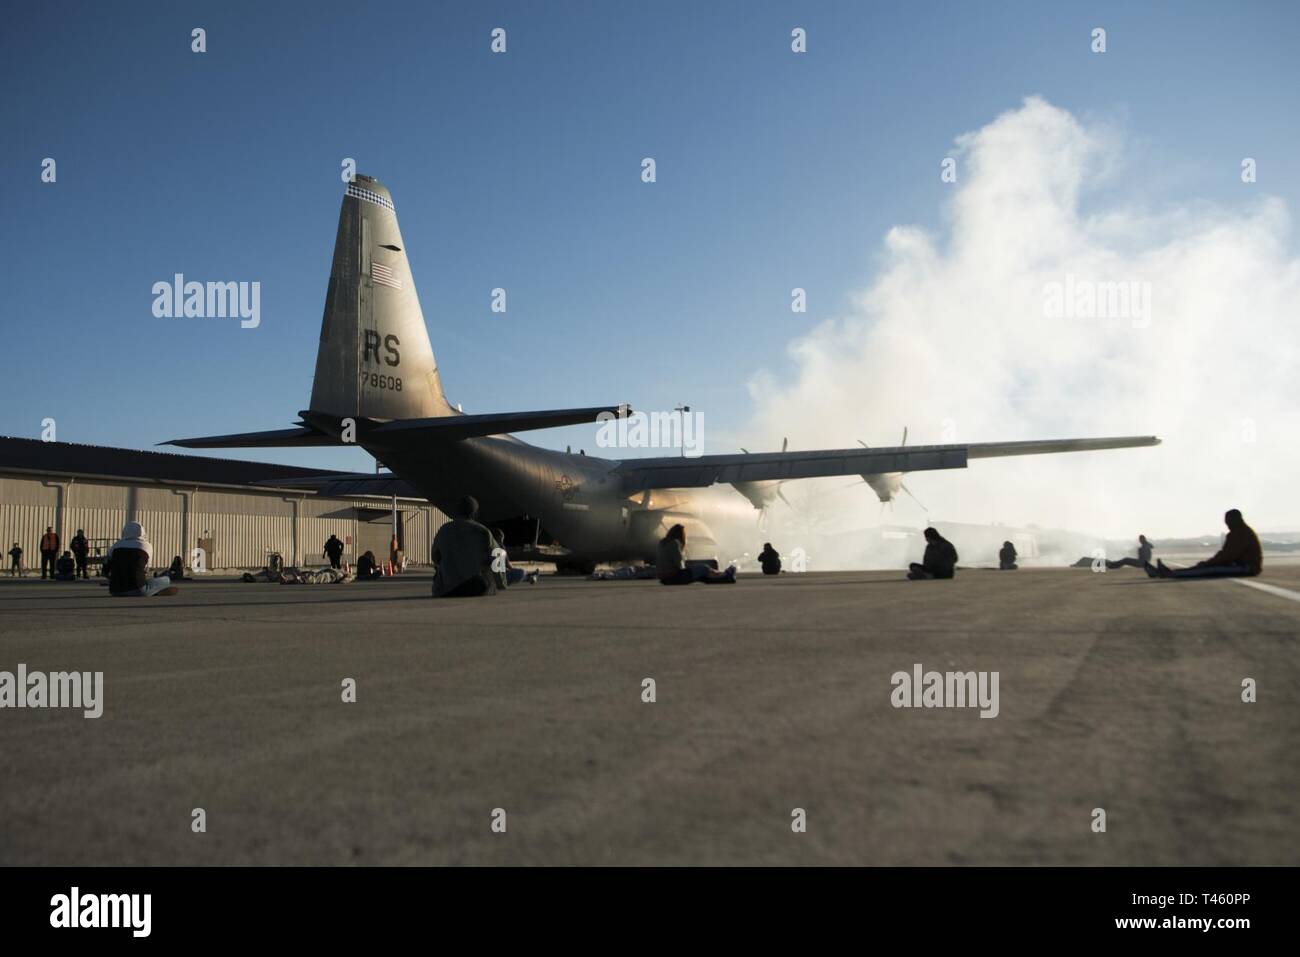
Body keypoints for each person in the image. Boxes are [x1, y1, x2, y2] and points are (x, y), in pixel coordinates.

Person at [1147, 509, 1262, 579]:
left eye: (1227, 521)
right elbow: (1227, 555)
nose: (1226, 524)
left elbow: (1227, 555)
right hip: (1241, 566)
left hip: (1246, 568)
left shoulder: (1240, 533)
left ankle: (1170, 574)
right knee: (1206, 568)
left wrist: (1208, 564)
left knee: (1208, 570)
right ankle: (1169, 572)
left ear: (1233, 520)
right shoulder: (1239, 532)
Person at [431, 497, 498, 597]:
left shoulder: (443, 530)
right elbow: (498, 555)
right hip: (475, 586)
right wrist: (501, 582)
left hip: (446, 589)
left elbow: (435, 557)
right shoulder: (483, 531)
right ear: (475, 513)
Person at [106, 521, 177, 597]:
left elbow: (105, 570)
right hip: (138, 589)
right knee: (166, 580)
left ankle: (151, 590)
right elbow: (146, 570)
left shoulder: (115, 546)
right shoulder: (146, 546)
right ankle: (154, 590)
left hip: (114, 591)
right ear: (142, 532)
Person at [657, 524, 737, 585]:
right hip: (674, 577)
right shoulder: (674, 543)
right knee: (703, 568)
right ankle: (724, 575)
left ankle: (723, 576)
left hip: (664, 579)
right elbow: (679, 563)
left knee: (702, 576)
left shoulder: (662, 543)